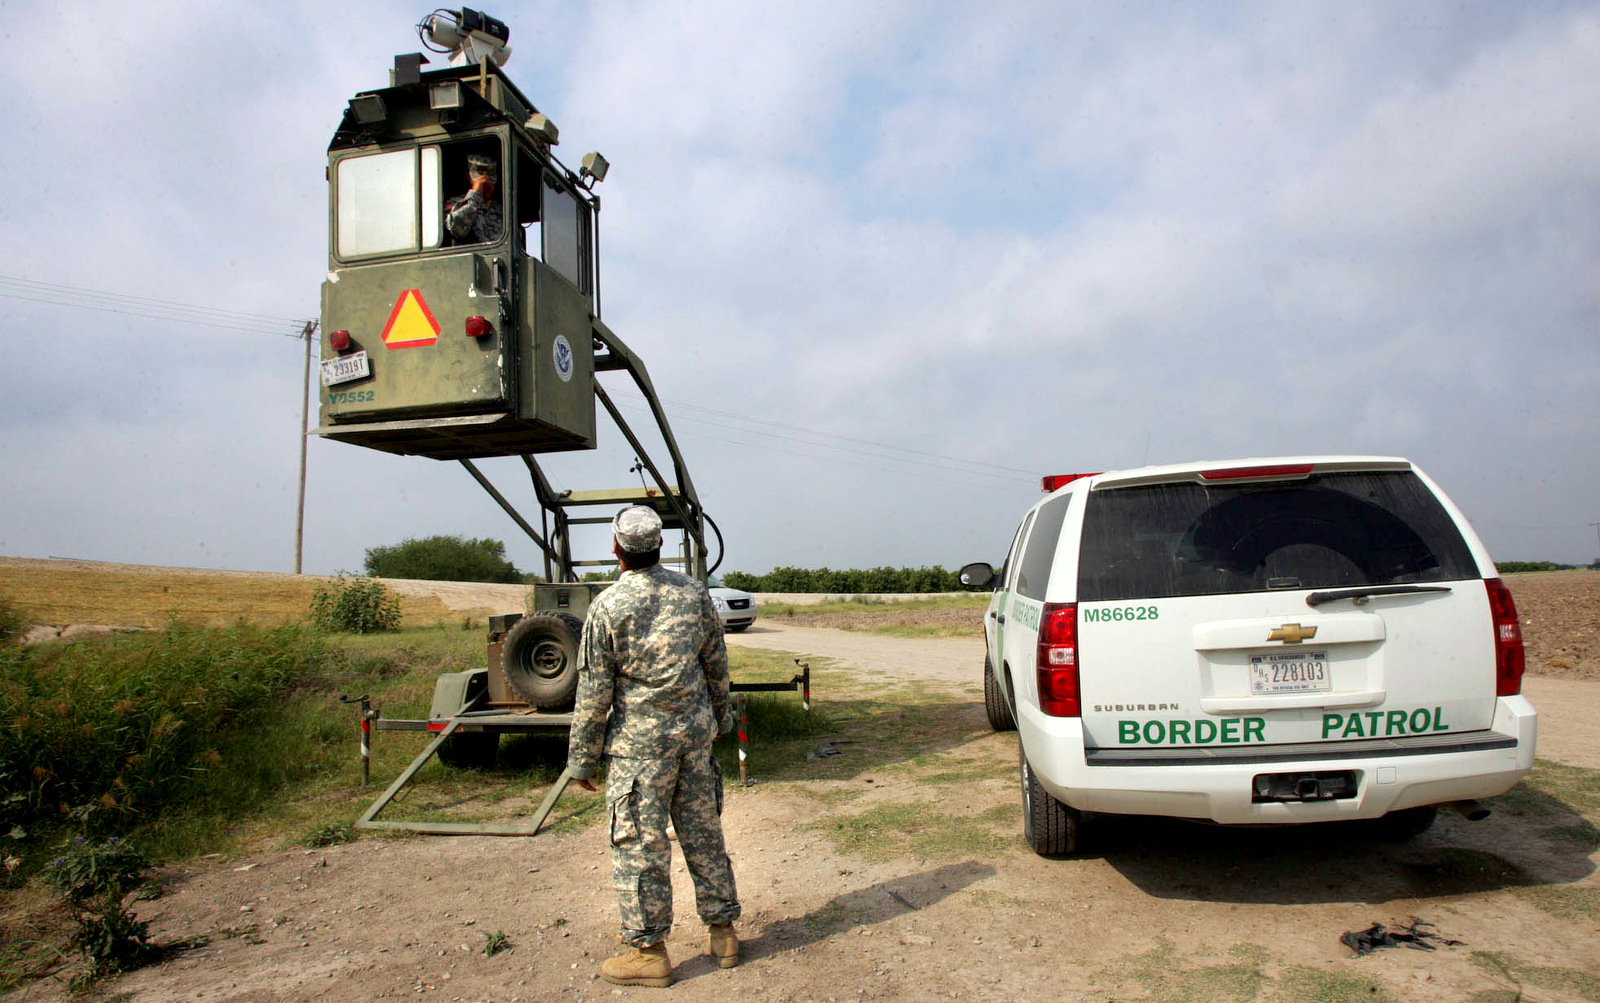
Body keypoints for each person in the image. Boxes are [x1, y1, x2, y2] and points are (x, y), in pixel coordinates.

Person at [567, 506, 741, 988]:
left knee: (641, 848)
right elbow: (716, 666)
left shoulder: (607, 606)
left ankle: (648, 953)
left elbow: (593, 691)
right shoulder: (694, 595)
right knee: (705, 835)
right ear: (660, 546)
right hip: (694, 742)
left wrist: (582, 758)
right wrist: (720, 719)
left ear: (616, 550)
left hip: (639, 753)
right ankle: (723, 934)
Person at [443, 153, 503, 245]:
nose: (485, 179)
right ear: (468, 176)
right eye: (480, 173)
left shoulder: (502, 211)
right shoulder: (456, 204)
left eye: (490, 173)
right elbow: (458, 229)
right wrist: (475, 195)